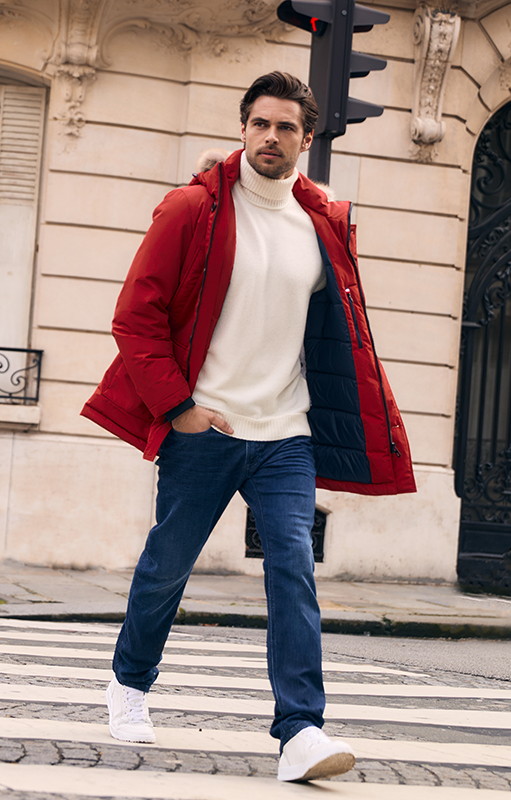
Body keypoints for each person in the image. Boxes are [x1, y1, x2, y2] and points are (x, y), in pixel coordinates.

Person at [82, 71, 416, 782]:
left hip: (284, 431)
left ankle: (301, 731)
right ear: (242, 128)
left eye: (286, 126)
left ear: (308, 136)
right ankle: (130, 682)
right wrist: (179, 410)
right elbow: (134, 318)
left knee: (292, 567)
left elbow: (340, 333)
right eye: (260, 123)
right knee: (168, 563)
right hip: (205, 427)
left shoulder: (321, 220)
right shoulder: (193, 210)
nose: (271, 136)